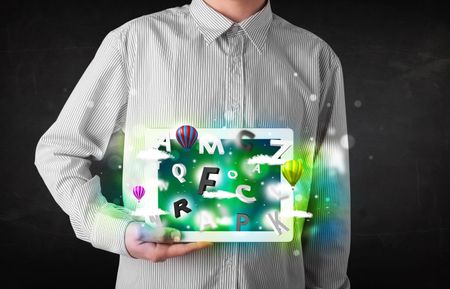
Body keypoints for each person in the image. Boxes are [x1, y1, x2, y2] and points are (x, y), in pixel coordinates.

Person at [34, 0, 351, 288]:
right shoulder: (134, 43)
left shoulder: (317, 58)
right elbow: (60, 151)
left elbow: (327, 203)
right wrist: (117, 230)